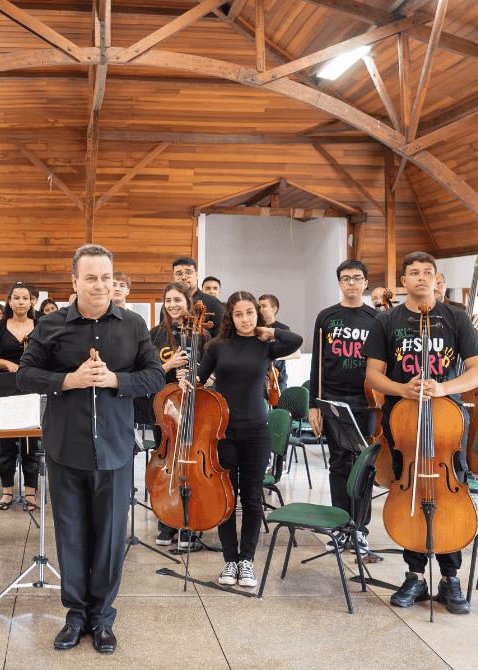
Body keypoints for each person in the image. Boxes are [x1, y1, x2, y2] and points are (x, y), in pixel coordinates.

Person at [16, 244, 164, 654]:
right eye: (91, 277)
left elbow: (154, 376)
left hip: (115, 449)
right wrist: (70, 380)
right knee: (71, 535)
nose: (100, 285)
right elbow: (25, 375)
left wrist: (116, 380)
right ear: (75, 281)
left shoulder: (134, 324)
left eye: (107, 278)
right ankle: (76, 615)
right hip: (66, 447)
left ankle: (102, 619)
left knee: (110, 538)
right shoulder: (49, 325)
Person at [364, 251, 478, 615]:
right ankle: (414, 575)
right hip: (403, 421)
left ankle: (451, 579)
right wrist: (404, 390)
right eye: (413, 273)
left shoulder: (456, 317)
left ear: (436, 279)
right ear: (403, 282)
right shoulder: (387, 320)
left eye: (427, 272)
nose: (420, 278)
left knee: (448, 494)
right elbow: (372, 374)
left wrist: (444, 389)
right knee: (411, 492)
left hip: (447, 421)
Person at [184, 291, 302, 590]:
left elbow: (296, 340)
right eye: (239, 314)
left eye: (250, 312)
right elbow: (199, 378)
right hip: (221, 432)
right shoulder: (217, 346)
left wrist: (269, 330)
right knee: (226, 498)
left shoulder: (267, 346)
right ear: (230, 316)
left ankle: (246, 560)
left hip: (256, 431)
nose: (245, 319)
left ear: (257, 314)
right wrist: (188, 381)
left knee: (251, 497)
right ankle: (230, 560)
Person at [308, 260, 378, 558]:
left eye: (357, 278)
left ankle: (360, 529)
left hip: (367, 402)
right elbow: (317, 365)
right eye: (346, 278)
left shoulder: (377, 318)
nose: (351, 283)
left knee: (364, 465)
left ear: (365, 282)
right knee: (338, 464)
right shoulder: (327, 317)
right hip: (333, 401)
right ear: (339, 283)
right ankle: (340, 525)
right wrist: (314, 406)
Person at [147, 281, 208, 550]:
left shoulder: (201, 334)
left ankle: (190, 522)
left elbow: (211, 369)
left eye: (178, 300)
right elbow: (147, 372)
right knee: (168, 462)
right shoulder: (154, 334)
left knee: (190, 464)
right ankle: (167, 521)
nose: (173, 305)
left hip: (193, 405)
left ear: (188, 302)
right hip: (164, 408)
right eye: (168, 300)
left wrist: (196, 378)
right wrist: (168, 365)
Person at [0, 282, 39, 510]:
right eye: (17, 298)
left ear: (31, 301)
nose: (21, 302)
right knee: (5, 443)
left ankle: (31, 494)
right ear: (10, 301)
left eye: (25, 298)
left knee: (31, 442)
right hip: (5, 387)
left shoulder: (41, 325)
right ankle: (7, 493)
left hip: (32, 387)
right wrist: (7, 364)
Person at [172, 257, 223, 339]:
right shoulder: (169, 306)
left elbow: (221, 339)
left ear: (196, 275)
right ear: (174, 277)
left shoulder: (214, 303)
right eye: (179, 274)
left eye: (188, 273)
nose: (184, 277)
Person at [258, 294, 290, 390]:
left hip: (278, 378)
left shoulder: (283, 329)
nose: (260, 309)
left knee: (278, 404)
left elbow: (296, 353)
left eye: (264, 306)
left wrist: (275, 356)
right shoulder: (255, 328)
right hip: (258, 377)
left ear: (274, 309)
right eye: (259, 307)